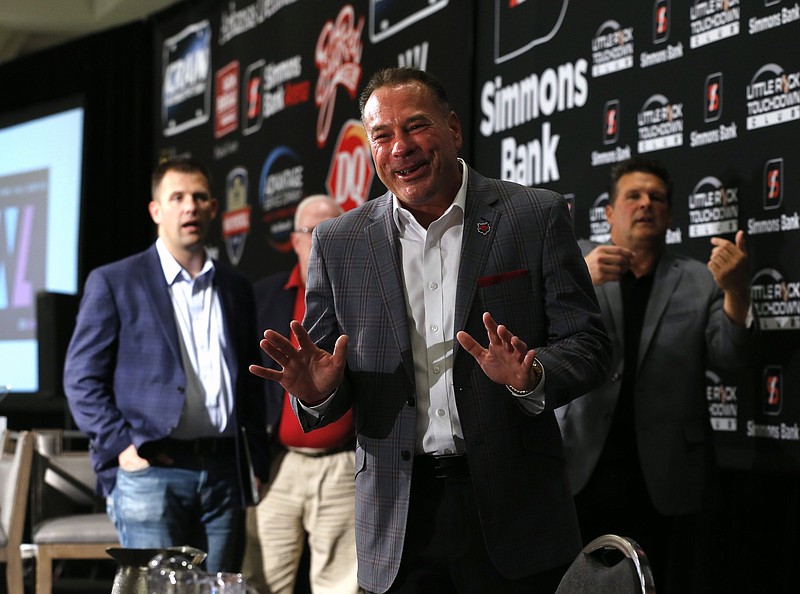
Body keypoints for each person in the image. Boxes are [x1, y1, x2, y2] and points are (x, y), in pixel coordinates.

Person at [250, 66, 611, 594]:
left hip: (514, 506)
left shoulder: (534, 215)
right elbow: (330, 372)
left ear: (454, 129)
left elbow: (591, 345)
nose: (400, 147)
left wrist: (531, 374)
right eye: (382, 135)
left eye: (415, 127)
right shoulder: (340, 241)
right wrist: (317, 394)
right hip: (397, 516)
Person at [556, 156, 755, 593]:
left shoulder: (700, 280)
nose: (646, 204)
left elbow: (730, 356)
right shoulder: (569, 264)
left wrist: (738, 290)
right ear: (609, 213)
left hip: (664, 474)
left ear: (669, 214)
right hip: (580, 464)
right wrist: (579, 279)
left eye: (657, 198)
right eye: (633, 196)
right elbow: (532, 338)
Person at [63, 156, 269, 573]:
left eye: (199, 197)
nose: (189, 206)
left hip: (223, 473)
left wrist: (257, 464)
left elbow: (251, 381)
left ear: (214, 207)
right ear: (157, 210)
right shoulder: (115, 281)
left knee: (219, 588)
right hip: (151, 470)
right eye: (177, 197)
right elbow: (81, 379)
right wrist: (122, 447)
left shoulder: (237, 288)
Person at [251, 194, 359, 594]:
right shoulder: (263, 296)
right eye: (313, 232)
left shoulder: (363, 297)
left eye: (333, 230)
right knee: (261, 580)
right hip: (280, 467)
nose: (322, 239)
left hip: (343, 465)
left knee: (341, 586)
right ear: (294, 240)